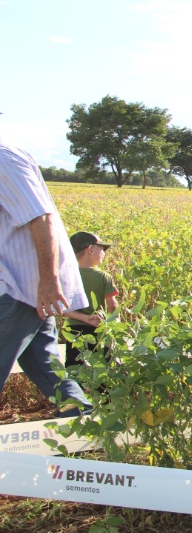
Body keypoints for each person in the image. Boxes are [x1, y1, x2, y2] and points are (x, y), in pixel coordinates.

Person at [0, 132, 92, 416]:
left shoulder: (3, 157)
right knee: (43, 361)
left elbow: (41, 218)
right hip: (24, 287)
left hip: (20, 286)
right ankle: (81, 420)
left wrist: (49, 281)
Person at [64, 231, 119, 369]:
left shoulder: (67, 276)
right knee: (103, 370)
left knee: (74, 369)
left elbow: (64, 308)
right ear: (91, 249)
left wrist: (84, 317)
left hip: (74, 331)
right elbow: (113, 306)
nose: (104, 253)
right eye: (102, 249)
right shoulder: (103, 277)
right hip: (99, 328)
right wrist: (114, 323)